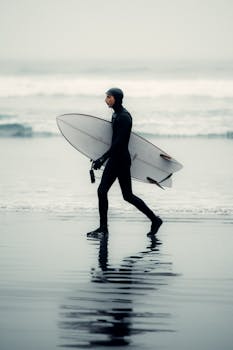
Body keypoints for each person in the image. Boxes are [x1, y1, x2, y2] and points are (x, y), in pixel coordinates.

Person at [87, 88, 162, 237]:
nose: (106, 100)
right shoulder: (115, 115)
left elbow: (119, 143)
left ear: (116, 98)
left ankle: (154, 219)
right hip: (116, 158)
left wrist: (103, 158)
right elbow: (113, 141)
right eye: (106, 97)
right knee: (119, 194)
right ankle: (105, 228)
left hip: (120, 160)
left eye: (109, 97)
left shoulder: (124, 117)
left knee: (120, 194)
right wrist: (98, 155)